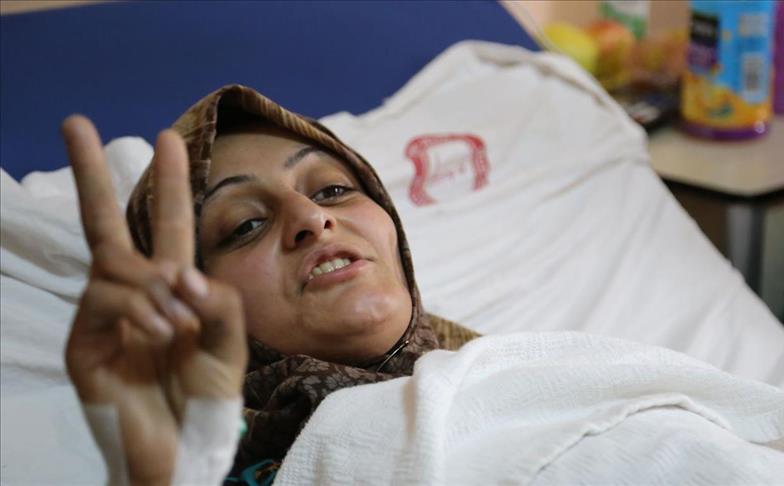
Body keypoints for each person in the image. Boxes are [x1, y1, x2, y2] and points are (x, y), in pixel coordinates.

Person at [63, 85, 478, 485]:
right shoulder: (205, 462)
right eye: (246, 225)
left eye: (332, 189)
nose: (311, 217)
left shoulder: (494, 361)